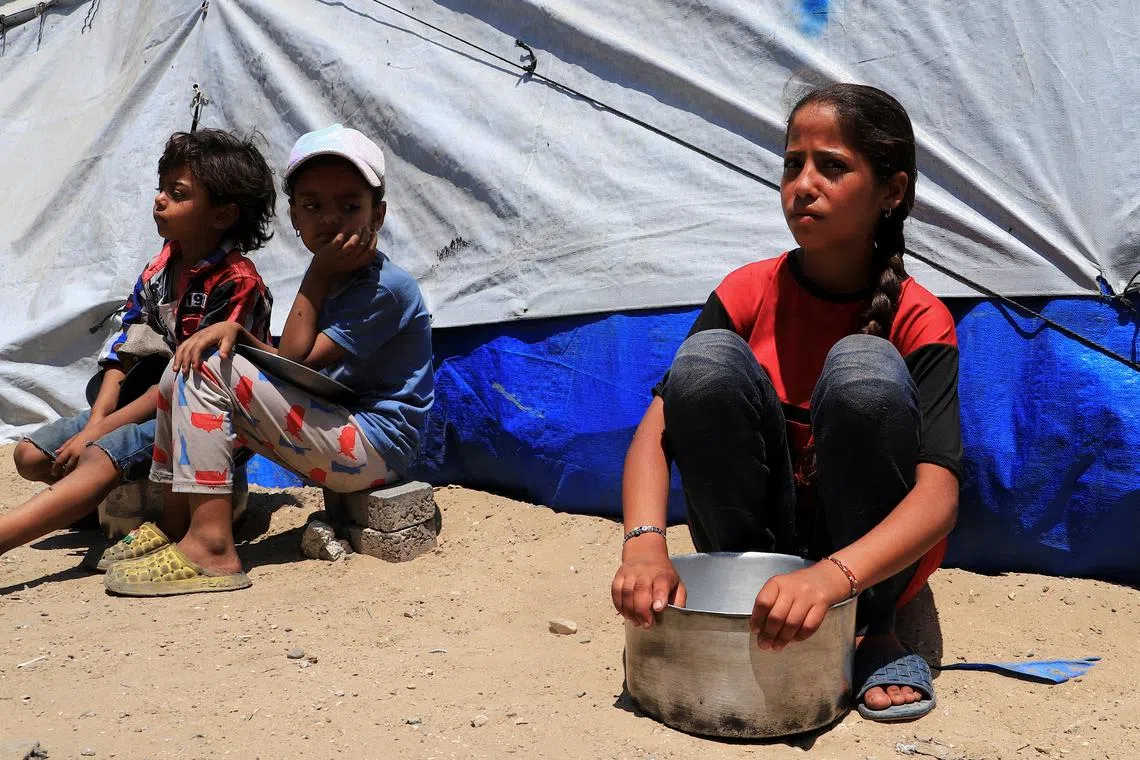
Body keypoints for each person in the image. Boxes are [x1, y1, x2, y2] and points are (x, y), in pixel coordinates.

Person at [610, 84, 961, 722]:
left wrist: (833, 579)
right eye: (792, 163)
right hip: (754, 543)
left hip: (862, 563)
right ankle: (746, 601)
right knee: (706, 364)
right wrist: (643, 544)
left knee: (864, 368)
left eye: (832, 166)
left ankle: (874, 630)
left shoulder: (920, 318)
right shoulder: (747, 290)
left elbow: (938, 497)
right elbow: (655, 434)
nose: (803, 183)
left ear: (892, 192)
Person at [102, 124, 435, 596]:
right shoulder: (333, 278)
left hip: (376, 448)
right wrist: (239, 333)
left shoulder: (385, 288)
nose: (330, 219)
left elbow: (298, 360)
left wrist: (316, 276)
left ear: (377, 215)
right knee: (183, 365)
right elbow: (288, 367)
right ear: (294, 217)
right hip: (335, 427)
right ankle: (175, 524)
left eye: (349, 206)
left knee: (208, 366)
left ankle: (212, 548)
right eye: (313, 206)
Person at [0, 129, 275, 560]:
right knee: (30, 457)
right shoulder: (160, 267)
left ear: (222, 216)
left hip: (200, 427)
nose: (159, 199)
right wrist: (97, 419)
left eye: (177, 193)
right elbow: (125, 347)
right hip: (148, 405)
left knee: (94, 458)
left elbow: (182, 381)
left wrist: (98, 434)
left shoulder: (237, 282)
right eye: (161, 188)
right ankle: (93, 499)